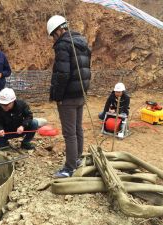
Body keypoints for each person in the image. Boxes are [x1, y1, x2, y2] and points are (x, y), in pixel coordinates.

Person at [46, 15, 91, 178]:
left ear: (58, 30)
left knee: (69, 133)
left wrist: (57, 96)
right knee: (77, 128)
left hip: (68, 97)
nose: (53, 38)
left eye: (53, 34)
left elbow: (62, 74)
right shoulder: (82, 42)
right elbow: (87, 69)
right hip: (80, 94)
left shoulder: (63, 45)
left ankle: (69, 168)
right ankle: (77, 159)